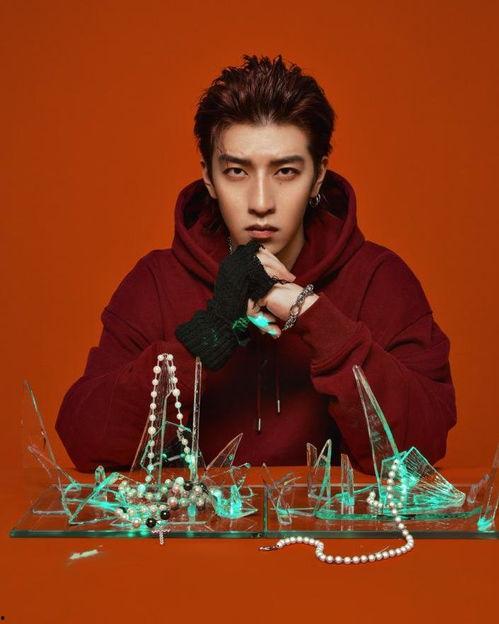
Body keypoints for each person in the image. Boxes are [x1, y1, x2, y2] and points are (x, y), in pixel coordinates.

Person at [55, 54, 457, 475]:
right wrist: (210, 333)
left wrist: (313, 316)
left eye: (285, 172)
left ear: (318, 176)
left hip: (329, 520)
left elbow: (422, 450)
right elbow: (87, 442)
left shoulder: (380, 279)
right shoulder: (156, 281)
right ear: (208, 177)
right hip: (192, 519)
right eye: (236, 171)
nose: (261, 203)